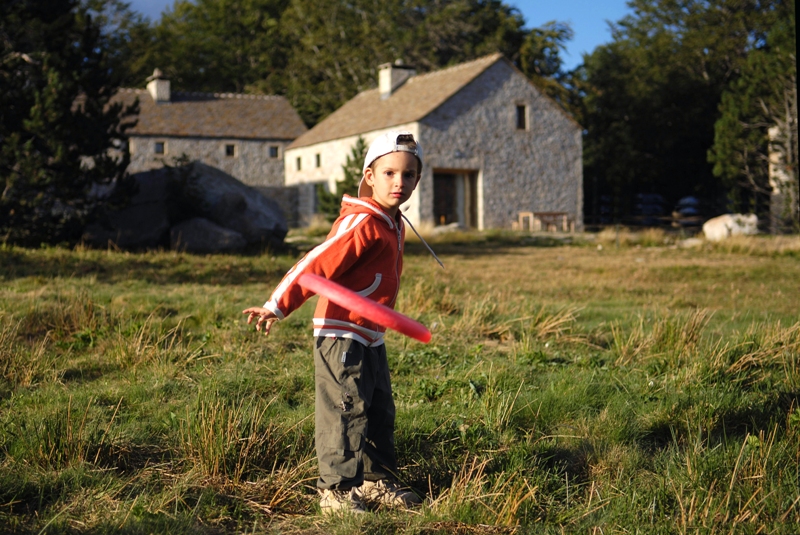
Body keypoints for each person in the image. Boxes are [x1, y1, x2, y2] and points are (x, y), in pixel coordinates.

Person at [242, 131, 442, 515]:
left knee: (380, 408)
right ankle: (335, 490)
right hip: (341, 332)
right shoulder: (362, 223)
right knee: (345, 408)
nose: (400, 182)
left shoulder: (392, 222)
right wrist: (276, 306)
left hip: (372, 332)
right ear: (370, 176)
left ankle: (376, 482)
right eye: (389, 173)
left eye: (409, 175)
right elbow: (314, 265)